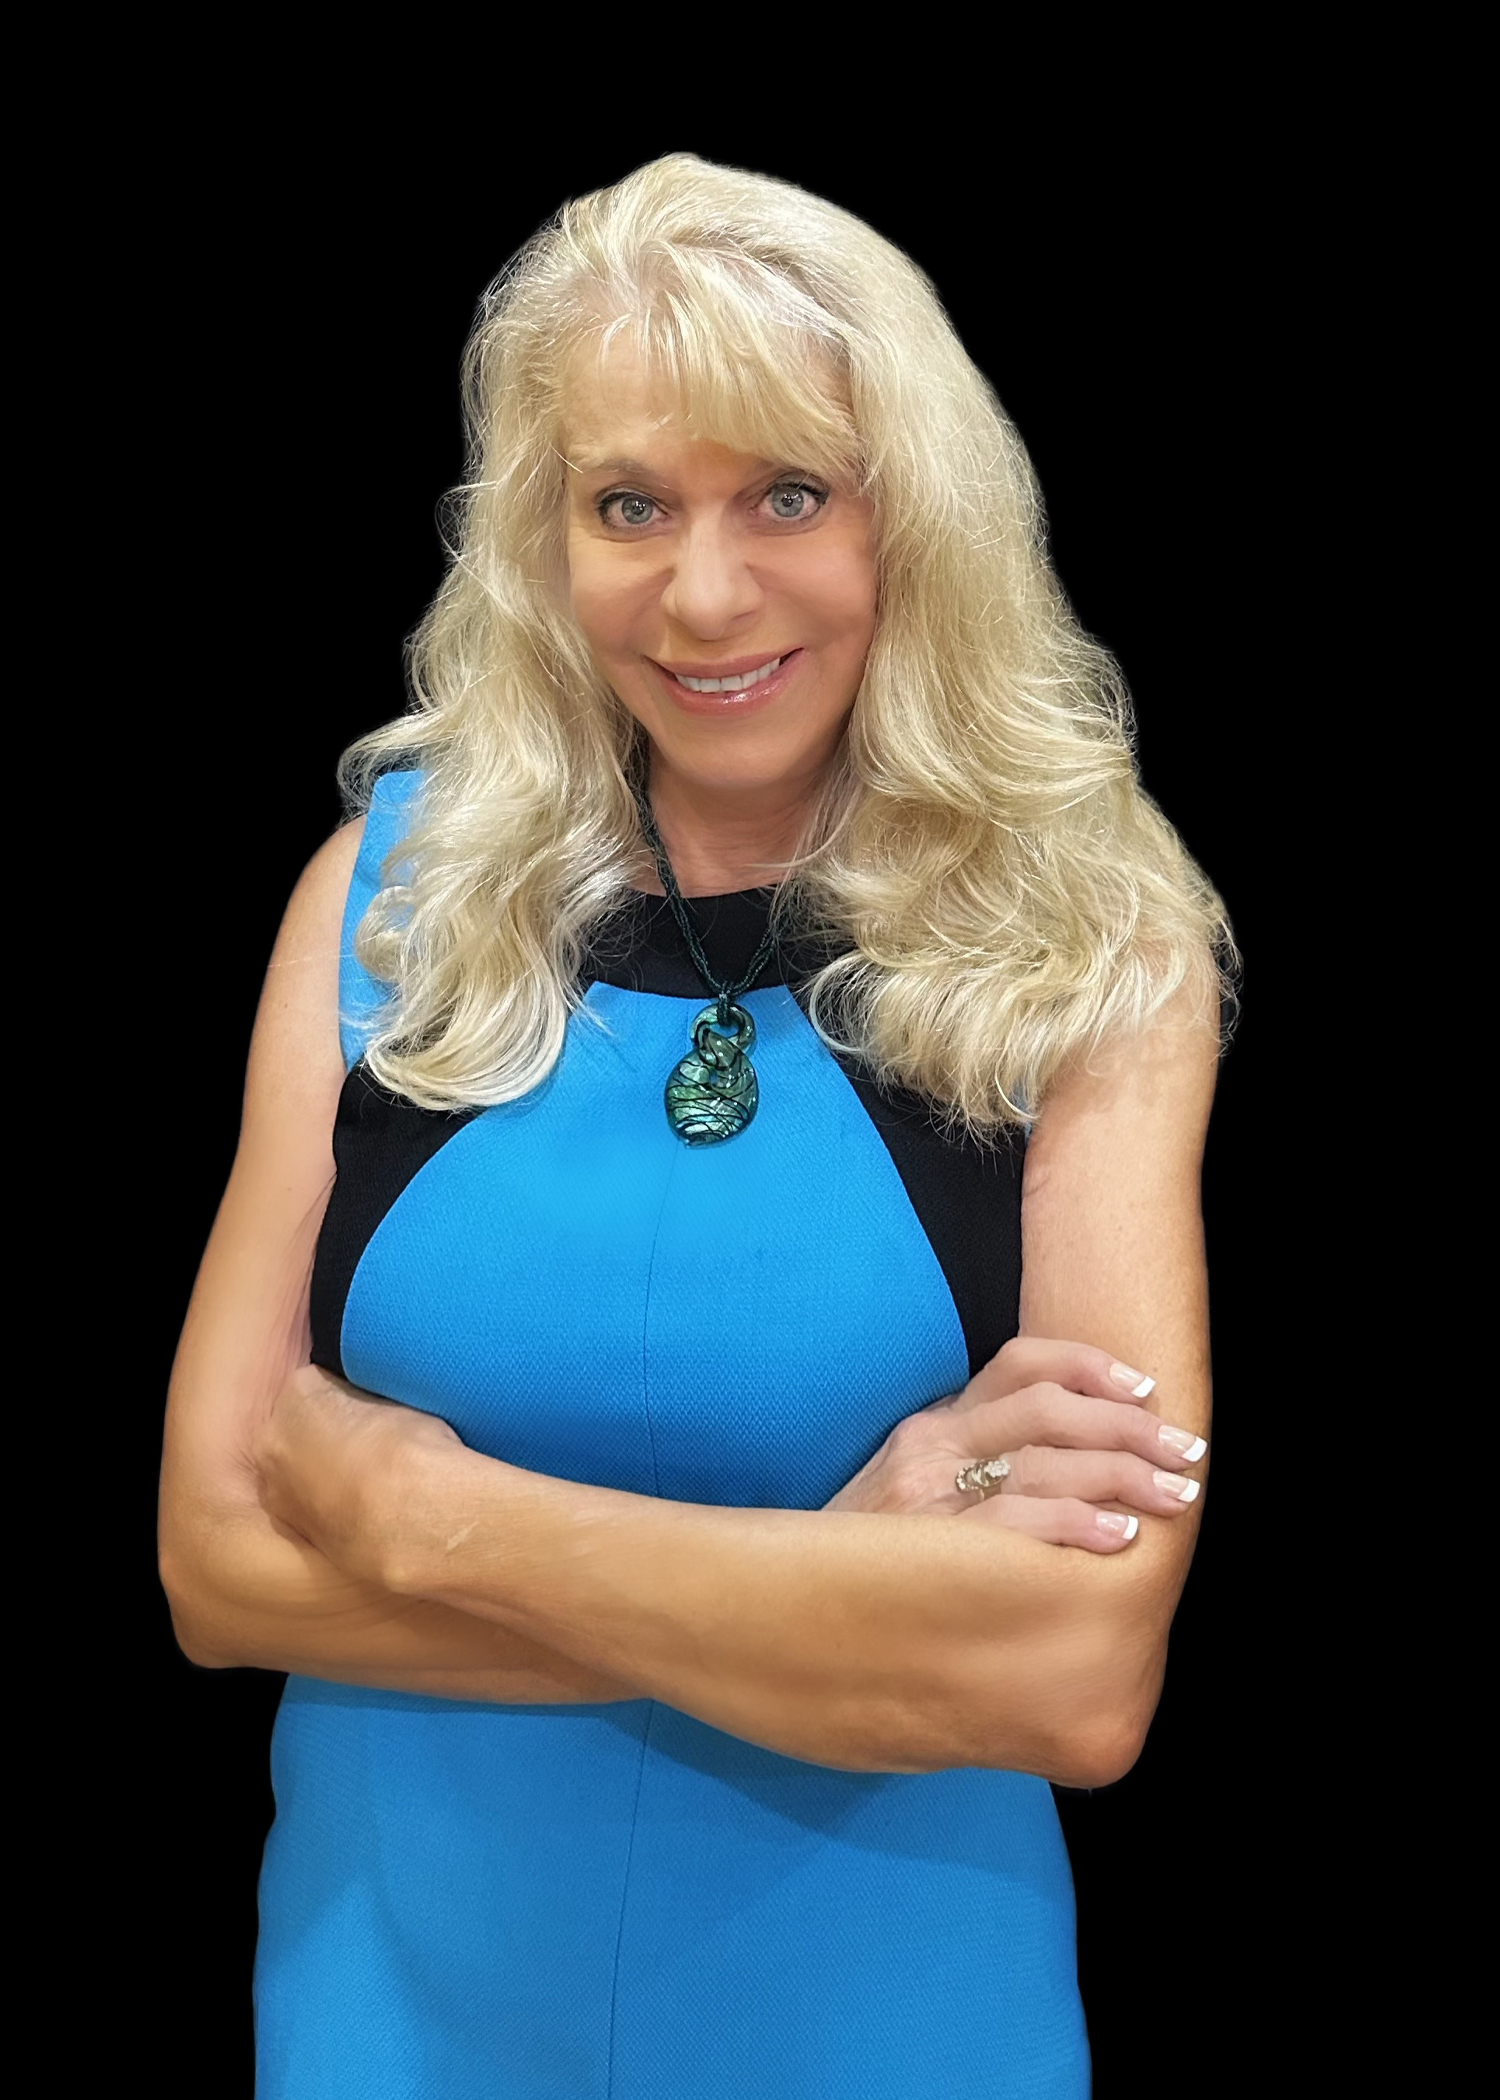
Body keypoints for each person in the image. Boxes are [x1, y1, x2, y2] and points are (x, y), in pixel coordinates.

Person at [159, 152, 1234, 2098]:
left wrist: (423, 1524)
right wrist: (844, 1583)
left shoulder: (1096, 947)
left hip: (894, 2046)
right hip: (385, 2036)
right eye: (629, 505)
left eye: (790, 494)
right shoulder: (387, 898)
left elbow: (1074, 1680)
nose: (707, 591)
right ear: (542, 537)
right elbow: (216, 1568)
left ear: (919, 518)